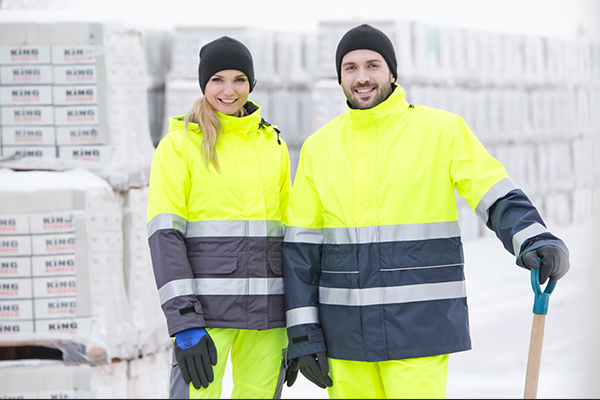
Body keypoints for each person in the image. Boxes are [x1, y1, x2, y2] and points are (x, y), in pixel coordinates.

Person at [281, 24, 570, 399]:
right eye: (350, 68)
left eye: (372, 65)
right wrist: (303, 332)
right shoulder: (319, 148)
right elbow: (300, 249)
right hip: (346, 338)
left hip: (419, 331)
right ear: (339, 77)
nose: (362, 77)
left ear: (393, 73)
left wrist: (535, 238)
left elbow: (493, 193)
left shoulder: (440, 131)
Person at [147, 36, 296, 399]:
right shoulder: (180, 146)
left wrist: (298, 322)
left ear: (252, 84)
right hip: (205, 320)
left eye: (239, 79)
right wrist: (185, 323)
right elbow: (165, 237)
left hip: (269, 318)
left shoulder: (273, 145)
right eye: (218, 79)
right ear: (204, 83)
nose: (229, 90)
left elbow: (290, 237)